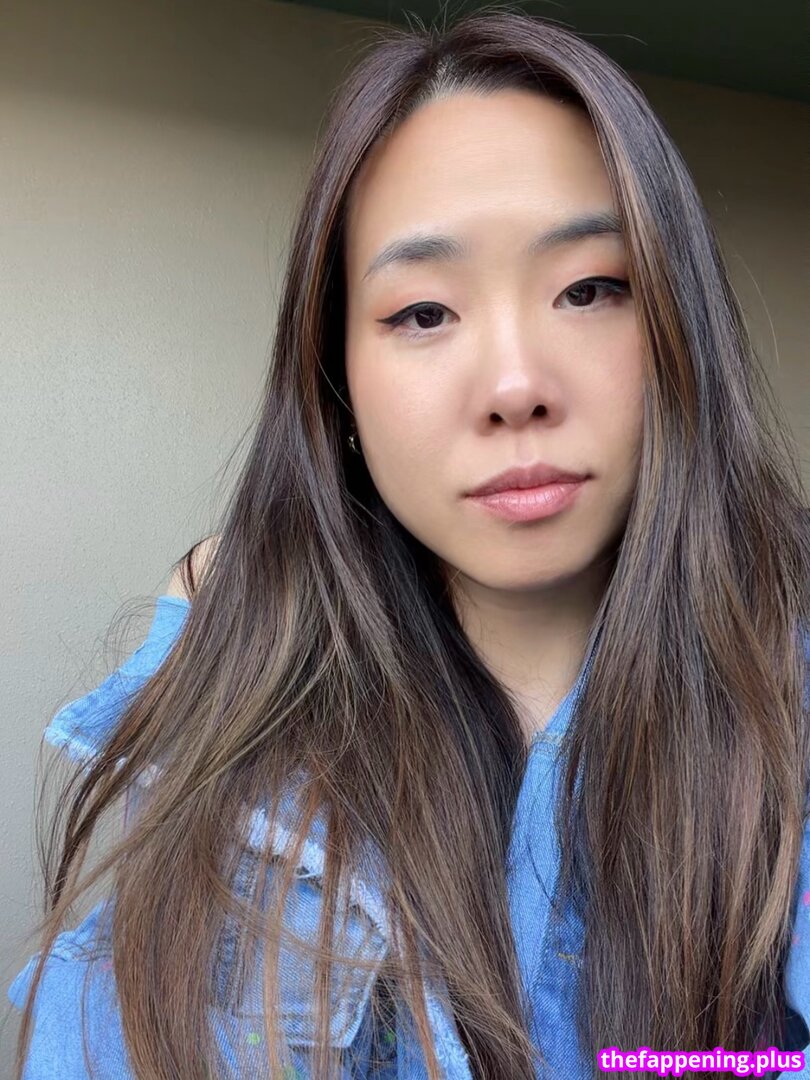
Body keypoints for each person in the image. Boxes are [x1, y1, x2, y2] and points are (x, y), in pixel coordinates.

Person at [7, 9, 810, 1079]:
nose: (516, 385)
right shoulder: (240, 760)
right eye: (424, 313)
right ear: (335, 383)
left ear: (678, 335)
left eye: (590, 289)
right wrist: (222, 660)